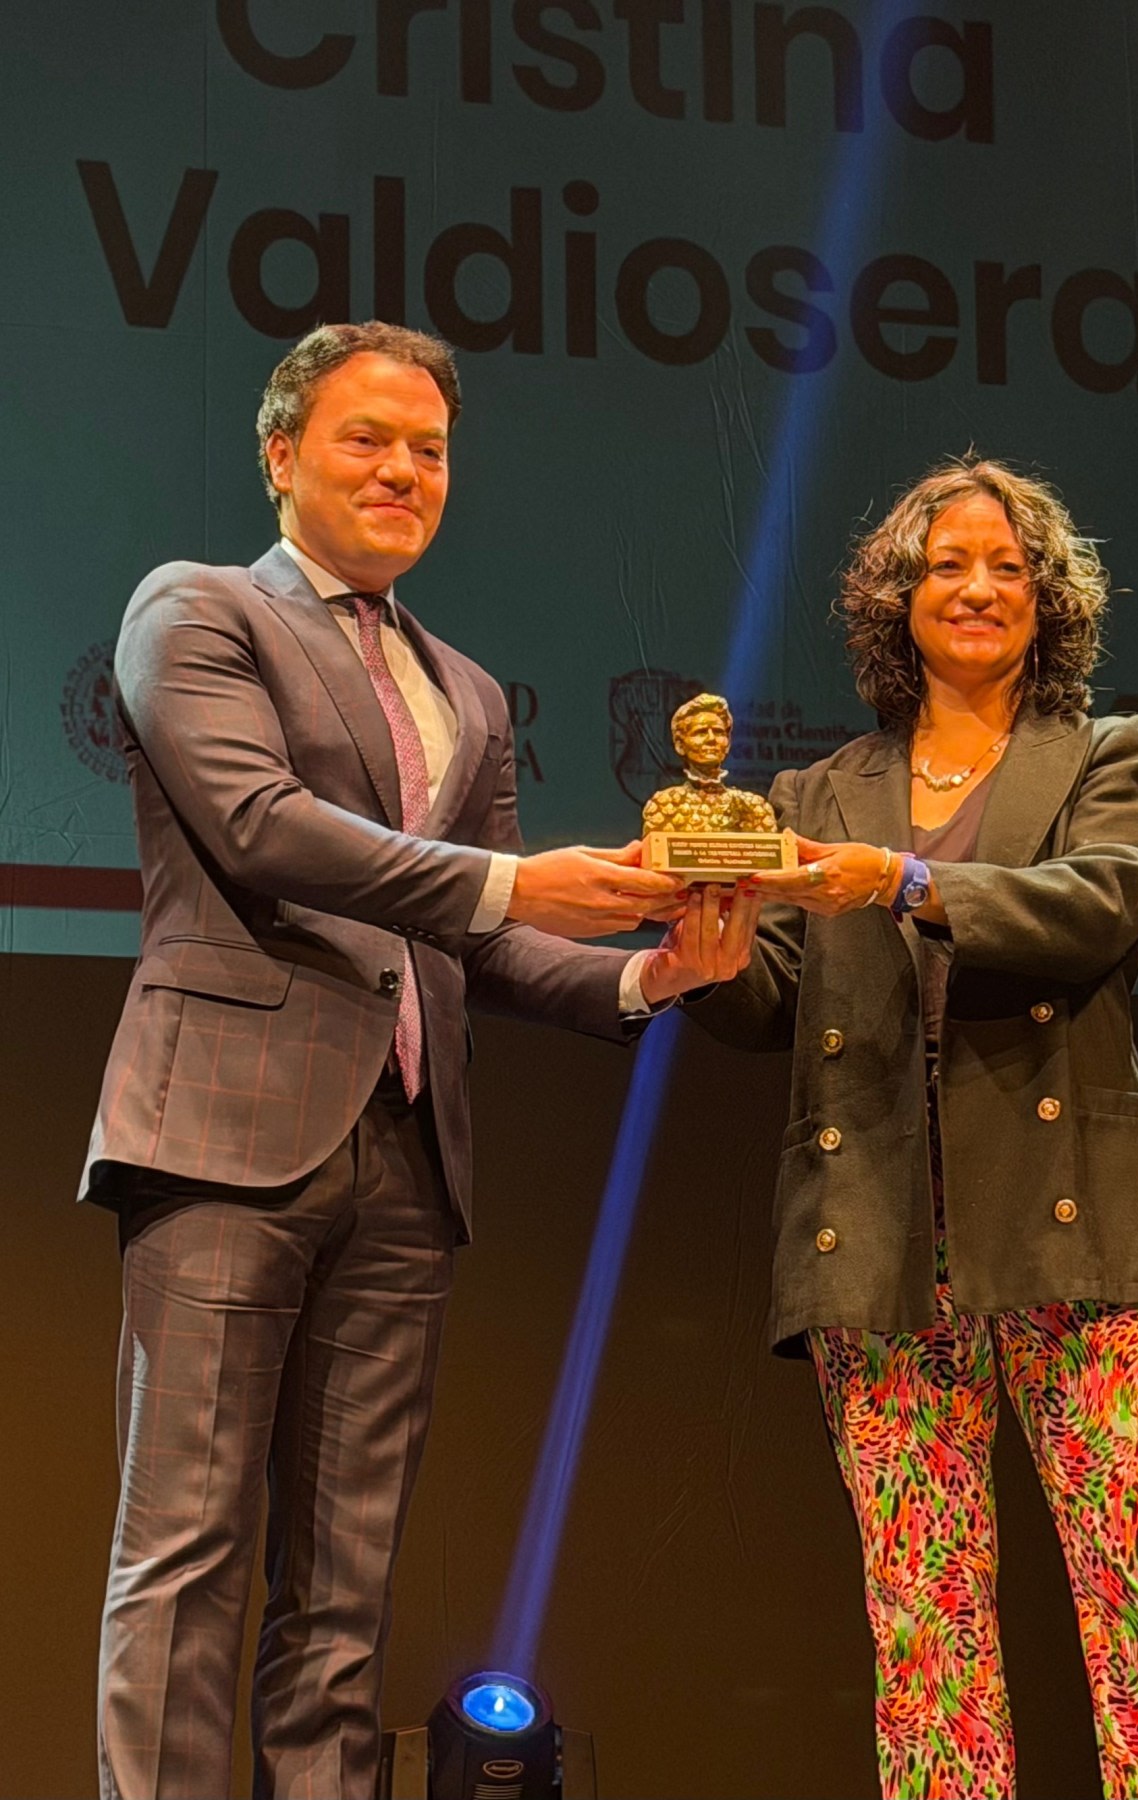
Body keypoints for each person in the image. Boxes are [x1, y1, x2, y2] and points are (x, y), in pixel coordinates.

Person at [83, 321, 753, 1800]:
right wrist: (518, 882)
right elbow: (261, 828)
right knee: (185, 1556)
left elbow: (477, 945)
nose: (403, 470)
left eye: (430, 450)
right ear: (280, 456)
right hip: (224, 1136)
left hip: (405, 1161)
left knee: (347, 1585)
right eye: (367, 439)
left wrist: (650, 971)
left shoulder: (470, 691)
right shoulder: (195, 610)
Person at [690, 455, 1138, 1799]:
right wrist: (706, 960)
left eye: (1008, 566)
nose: (978, 587)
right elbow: (774, 1000)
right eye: (946, 565)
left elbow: (1099, 901)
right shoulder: (812, 796)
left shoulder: (1112, 757)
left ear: (1049, 600)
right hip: (879, 1240)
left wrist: (907, 880)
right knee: (924, 1627)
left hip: (1077, 1232)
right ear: (897, 599)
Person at [642, 692, 777, 834]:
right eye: (701, 732)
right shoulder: (666, 805)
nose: (711, 739)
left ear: (728, 743)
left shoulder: (754, 808)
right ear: (680, 745)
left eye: (718, 732)